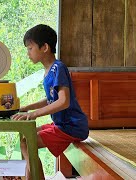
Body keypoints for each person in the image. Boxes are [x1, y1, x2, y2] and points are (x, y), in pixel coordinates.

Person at [11, 24, 89, 179]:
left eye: (30, 48)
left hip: (71, 127)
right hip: (63, 125)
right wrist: (27, 108)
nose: (28, 53)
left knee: (26, 144)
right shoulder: (49, 71)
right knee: (26, 137)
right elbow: (50, 100)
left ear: (44, 47)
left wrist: (34, 114)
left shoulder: (58, 68)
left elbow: (63, 101)